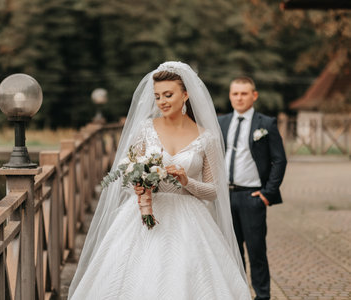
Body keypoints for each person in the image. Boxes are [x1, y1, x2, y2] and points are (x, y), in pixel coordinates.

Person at [69, 62, 252, 299]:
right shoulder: (145, 129)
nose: (162, 101)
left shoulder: (207, 138)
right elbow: (125, 173)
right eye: (157, 96)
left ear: (185, 95)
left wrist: (187, 181)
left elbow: (214, 191)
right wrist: (138, 184)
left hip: (189, 219)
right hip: (142, 218)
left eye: (168, 95)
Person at [218, 77, 287, 300]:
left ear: (254, 95)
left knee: (256, 251)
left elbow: (280, 160)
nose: (239, 98)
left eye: (244, 93)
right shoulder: (222, 122)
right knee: (232, 252)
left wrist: (267, 194)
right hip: (226, 196)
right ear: (230, 96)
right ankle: (238, 294)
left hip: (252, 196)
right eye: (235, 93)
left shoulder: (266, 124)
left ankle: (262, 296)